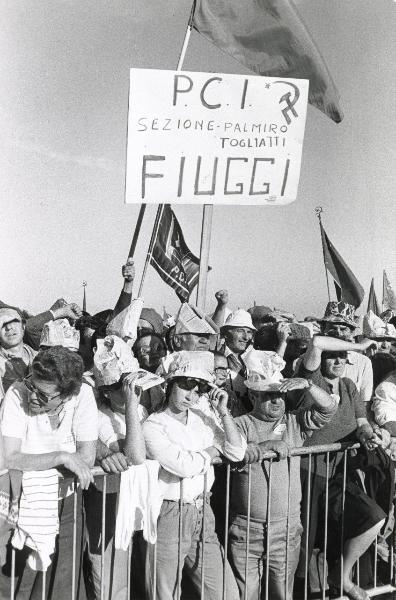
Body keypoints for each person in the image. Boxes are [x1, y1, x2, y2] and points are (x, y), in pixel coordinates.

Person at [228, 348, 337, 600]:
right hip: (247, 530)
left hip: (286, 528)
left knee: (282, 595)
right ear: (253, 396)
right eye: (269, 395)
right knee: (247, 594)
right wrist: (263, 447)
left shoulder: (293, 422)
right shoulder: (240, 423)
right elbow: (230, 448)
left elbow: (328, 409)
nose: (277, 401)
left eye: (280, 394)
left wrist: (308, 384)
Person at [143, 350, 245, 600]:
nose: (192, 395)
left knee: (225, 593)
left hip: (202, 510)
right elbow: (183, 466)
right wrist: (211, 451)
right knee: (164, 592)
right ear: (169, 385)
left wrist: (223, 412)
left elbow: (236, 450)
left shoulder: (202, 418)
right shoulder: (153, 425)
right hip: (169, 512)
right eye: (186, 386)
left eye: (198, 389)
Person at [0, 346, 98, 599]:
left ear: (66, 396)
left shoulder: (83, 394)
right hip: (18, 500)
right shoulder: (16, 393)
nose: (32, 397)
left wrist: (38, 461)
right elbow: (10, 457)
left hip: (67, 500)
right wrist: (62, 457)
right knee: (14, 583)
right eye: (32, 385)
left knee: (61, 580)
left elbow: (86, 458)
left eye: (43, 396)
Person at [295, 334, 386, 600]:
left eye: (343, 357)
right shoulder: (311, 381)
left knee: (373, 516)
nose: (338, 361)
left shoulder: (348, 386)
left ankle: (341, 578)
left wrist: (369, 435)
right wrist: (357, 346)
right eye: (333, 356)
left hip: (337, 473)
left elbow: (361, 422)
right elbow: (317, 342)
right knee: (304, 544)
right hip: (307, 473)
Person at [85, 335, 147, 600]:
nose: (132, 388)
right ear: (107, 390)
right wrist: (132, 405)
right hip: (108, 499)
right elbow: (134, 456)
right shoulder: (100, 417)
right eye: (124, 384)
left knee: (135, 572)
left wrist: (135, 406)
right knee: (111, 574)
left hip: (137, 497)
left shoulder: (144, 410)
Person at [220, 309, 256, 411]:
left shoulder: (251, 359)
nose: (246, 337)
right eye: (240, 331)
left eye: (249, 332)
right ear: (226, 333)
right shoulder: (217, 358)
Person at [0, 307, 37, 402]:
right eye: (2, 324)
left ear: (23, 326)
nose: (9, 327)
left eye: (14, 321)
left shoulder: (41, 358)